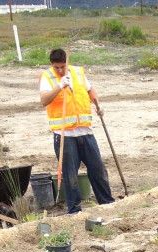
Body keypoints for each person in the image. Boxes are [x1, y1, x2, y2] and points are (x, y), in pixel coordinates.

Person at [39, 48, 115, 215]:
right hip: (65, 135)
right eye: (57, 67)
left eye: (63, 67)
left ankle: (108, 203)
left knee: (98, 169)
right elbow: (44, 100)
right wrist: (59, 86)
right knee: (70, 175)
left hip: (85, 132)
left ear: (68, 63)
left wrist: (98, 104)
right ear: (52, 65)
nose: (60, 70)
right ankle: (74, 210)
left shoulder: (78, 72)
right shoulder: (48, 77)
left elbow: (90, 90)